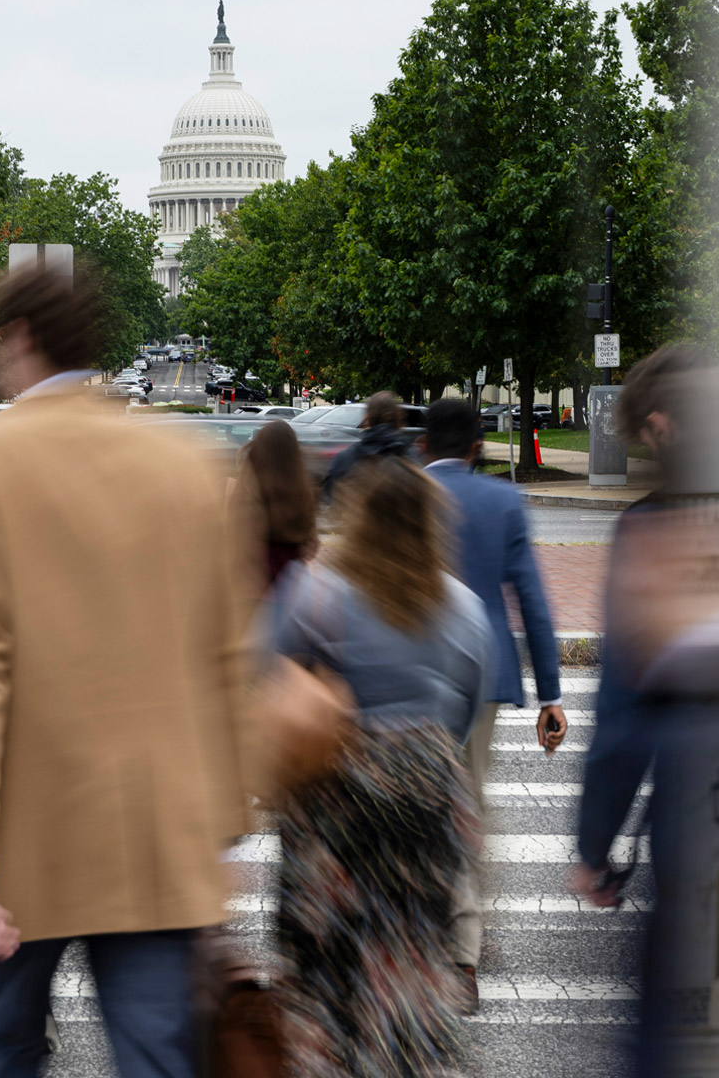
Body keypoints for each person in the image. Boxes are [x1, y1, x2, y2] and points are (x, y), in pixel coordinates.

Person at [0, 265, 252, 1078]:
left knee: (2, 1050)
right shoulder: (185, 464)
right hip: (157, 831)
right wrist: (224, 819)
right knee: (158, 1055)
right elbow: (227, 654)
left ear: (21, 339)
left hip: (26, 832)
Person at [268, 456, 495, 1075]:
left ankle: (330, 1055)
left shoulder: (314, 592)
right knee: (411, 941)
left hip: (335, 798)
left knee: (327, 948)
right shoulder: (464, 607)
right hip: (426, 796)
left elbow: (271, 677)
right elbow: (467, 708)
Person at [571, 344, 719, 1075]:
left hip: (696, 803)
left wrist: (595, 845)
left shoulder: (651, 532)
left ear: (662, 427)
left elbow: (623, 713)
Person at [418, 398, 563, 1006]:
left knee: (414, 808)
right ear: (478, 446)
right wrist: (550, 693)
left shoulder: (405, 495)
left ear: (423, 445)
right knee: (466, 804)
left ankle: (429, 935)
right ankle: (462, 955)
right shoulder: (503, 502)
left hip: (410, 674)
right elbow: (532, 599)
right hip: (482, 678)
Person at [236, 420, 317, 588]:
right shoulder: (304, 492)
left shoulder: (246, 490)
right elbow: (311, 545)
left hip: (254, 581)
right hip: (292, 584)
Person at [321, 391, 407, 498]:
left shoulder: (343, 459)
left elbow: (330, 498)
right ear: (399, 422)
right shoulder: (410, 459)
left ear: (367, 419)